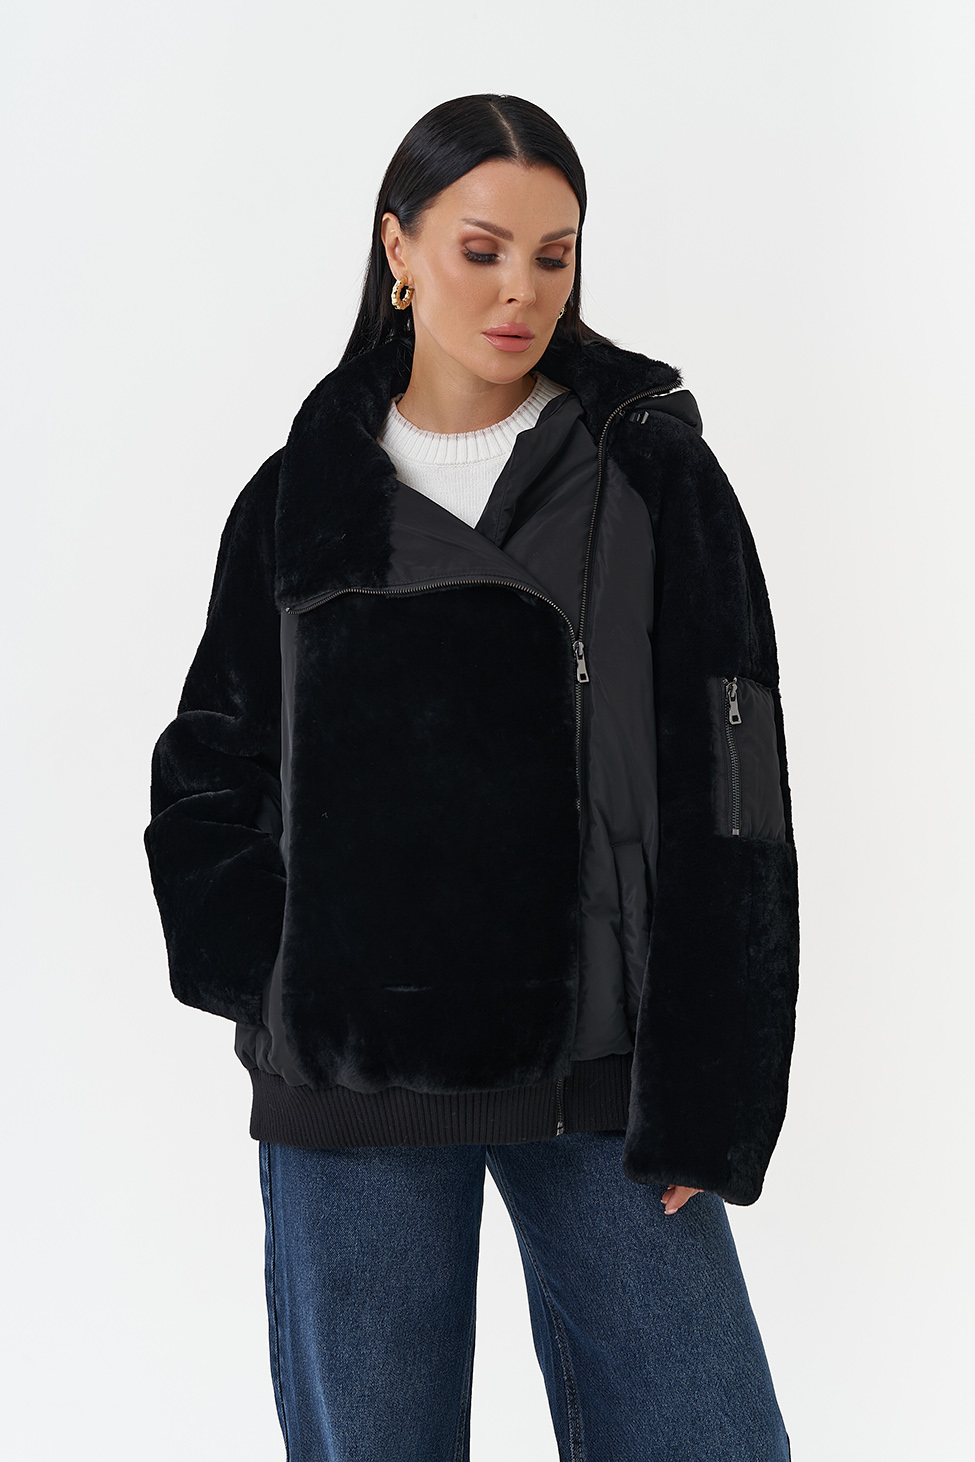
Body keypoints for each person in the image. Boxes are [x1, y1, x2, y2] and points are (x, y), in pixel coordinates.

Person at [144, 93, 800, 1461]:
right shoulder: (303, 494)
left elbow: (737, 793)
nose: (522, 292)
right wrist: (278, 978)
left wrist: (717, 1089)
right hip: (354, 1085)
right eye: (483, 250)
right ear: (399, 248)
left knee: (711, 1435)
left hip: (608, 1073)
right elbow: (209, 766)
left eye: (555, 256)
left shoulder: (648, 475)